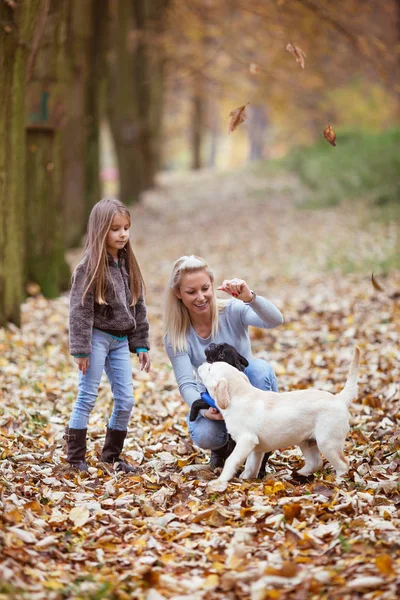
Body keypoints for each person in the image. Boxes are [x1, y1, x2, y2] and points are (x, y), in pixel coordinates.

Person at [164, 255, 283, 469]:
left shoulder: (232, 310)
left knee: (260, 369)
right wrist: (204, 409)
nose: (201, 297)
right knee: (205, 435)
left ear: (212, 285)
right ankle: (222, 450)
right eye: (191, 292)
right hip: (215, 400)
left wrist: (250, 298)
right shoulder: (176, 336)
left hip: (249, 393)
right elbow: (186, 384)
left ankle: (258, 449)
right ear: (178, 293)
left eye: (205, 288)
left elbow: (275, 320)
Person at [64, 198, 150, 473]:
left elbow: (138, 305)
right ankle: (75, 457)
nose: (123, 234)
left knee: (126, 400)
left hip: (121, 341)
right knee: (87, 396)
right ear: (101, 230)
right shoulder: (88, 266)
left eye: (126, 228)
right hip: (97, 339)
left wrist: (141, 345)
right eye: (115, 229)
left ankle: (111, 456)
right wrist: (81, 349)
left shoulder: (127, 263)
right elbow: (80, 310)